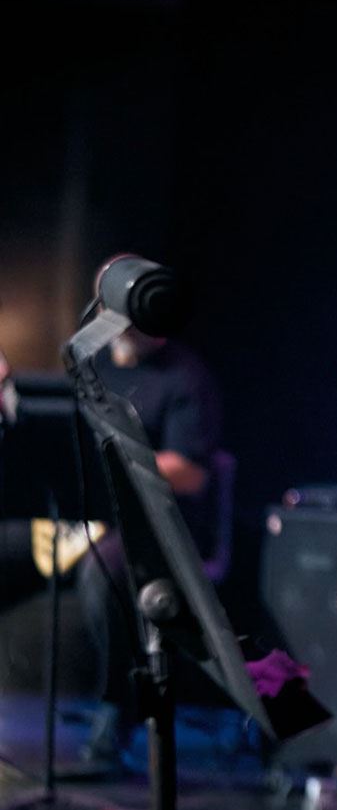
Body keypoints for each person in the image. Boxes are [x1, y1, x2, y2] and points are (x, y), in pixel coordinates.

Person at [0, 324, 223, 768]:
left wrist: (115, 464)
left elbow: (192, 472)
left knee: (108, 572)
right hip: (84, 517)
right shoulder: (92, 368)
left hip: (151, 526)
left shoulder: (184, 376)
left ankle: (114, 710)